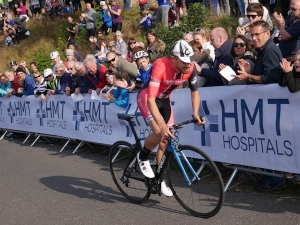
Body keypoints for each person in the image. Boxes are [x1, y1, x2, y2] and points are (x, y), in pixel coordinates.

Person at [136, 40, 205, 197]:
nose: (188, 64)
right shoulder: (161, 65)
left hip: (165, 99)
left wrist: (195, 113)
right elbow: (151, 100)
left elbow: (194, 91)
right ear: (174, 58)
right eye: (184, 61)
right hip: (148, 98)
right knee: (160, 132)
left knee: (165, 142)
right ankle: (143, 155)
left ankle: (159, 180)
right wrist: (161, 124)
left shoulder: (190, 67)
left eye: (190, 60)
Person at [235, 20, 282, 84]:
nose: (254, 38)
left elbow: (271, 78)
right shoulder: (263, 49)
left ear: (267, 33)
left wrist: (248, 76)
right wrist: (249, 72)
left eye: (257, 34)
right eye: (252, 35)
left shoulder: (269, 51)